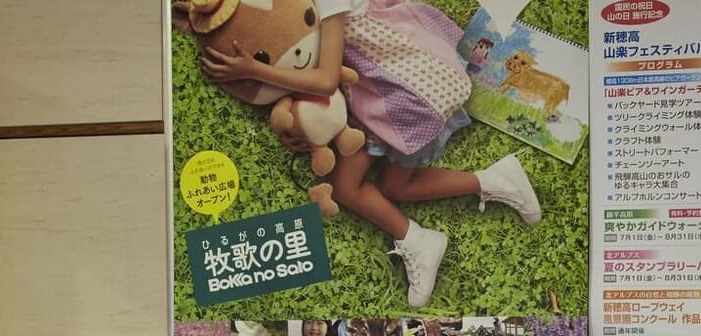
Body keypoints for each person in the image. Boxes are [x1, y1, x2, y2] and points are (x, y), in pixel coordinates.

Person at [199, 0, 543, 307]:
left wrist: (253, 70)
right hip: (391, 82)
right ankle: (494, 182)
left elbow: (326, 78)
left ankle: (418, 239)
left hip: (403, 89)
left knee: (346, 186)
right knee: (394, 187)